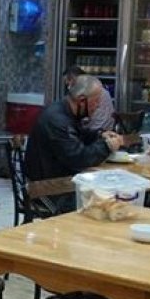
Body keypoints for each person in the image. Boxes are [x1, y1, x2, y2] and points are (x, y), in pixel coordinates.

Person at [25, 74, 124, 212]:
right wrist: (107, 146)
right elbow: (79, 158)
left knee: (115, 198)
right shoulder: (57, 120)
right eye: (96, 101)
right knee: (107, 203)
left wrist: (100, 135)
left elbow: (79, 135)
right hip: (48, 190)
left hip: (60, 182)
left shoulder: (64, 110)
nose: (97, 106)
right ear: (82, 100)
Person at [63, 66, 115, 133]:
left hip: (96, 131)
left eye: (68, 84)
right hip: (106, 130)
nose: (69, 87)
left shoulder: (89, 92)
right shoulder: (97, 89)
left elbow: (83, 118)